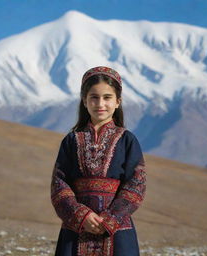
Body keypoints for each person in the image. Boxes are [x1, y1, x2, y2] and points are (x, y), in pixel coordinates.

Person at [50, 66, 147, 256]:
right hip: (76, 227)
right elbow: (59, 184)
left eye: (107, 97)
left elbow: (136, 185)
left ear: (118, 101)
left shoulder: (128, 140)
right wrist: (81, 215)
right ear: (85, 101)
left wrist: (111, 219)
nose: (100, 103)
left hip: (117, 229)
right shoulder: (71, 140)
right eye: (94, 97)